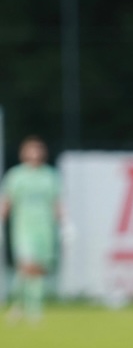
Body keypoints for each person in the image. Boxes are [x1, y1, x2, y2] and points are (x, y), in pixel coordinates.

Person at [0, 136, 62, 323]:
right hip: (23, 227)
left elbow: (56, 202)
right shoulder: (16, 175)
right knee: (27, 265)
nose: (35, 154)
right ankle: (24, 305)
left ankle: (30, 306)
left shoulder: (49, 176)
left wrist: (66, 224)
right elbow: (7, 201)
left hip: (45, 228)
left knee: (39, 268)